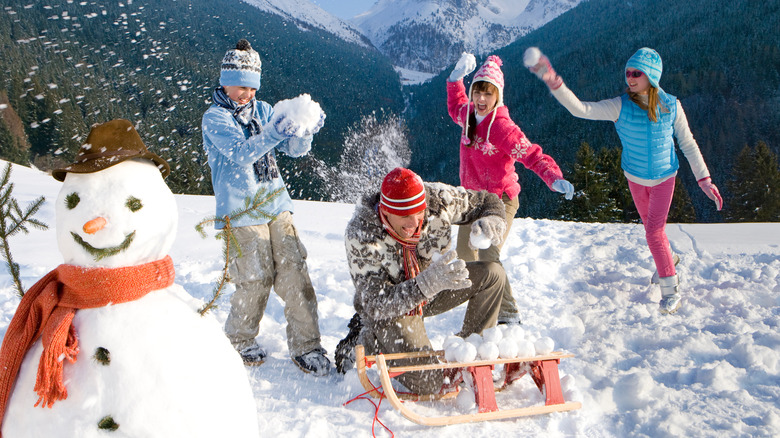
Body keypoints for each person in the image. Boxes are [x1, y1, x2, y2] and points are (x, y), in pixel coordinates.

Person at [524, 46, 723, 314]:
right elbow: (581, 109)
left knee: (653, 232)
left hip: (665, 178)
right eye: (628, 72)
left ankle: (671, 288)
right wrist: (553, 80)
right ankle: (669, 259)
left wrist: (704, 179)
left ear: (651, 77)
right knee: (654, 232)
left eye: (636, 73)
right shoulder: (620, 106)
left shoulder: (671, 106)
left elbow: (688, 144)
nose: (630, 77)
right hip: (635, 178)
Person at [201, 38, 331, 375]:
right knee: (255, 277)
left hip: (275, 204)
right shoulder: (215, 118)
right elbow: (243, 153)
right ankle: (240, 339)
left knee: (294, 273)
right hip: (240, 209)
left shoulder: (263, 110)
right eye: (239, 86)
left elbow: (293, 150)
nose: (246, 93)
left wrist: (304, 133)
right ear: (224, 81)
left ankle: (307, 344)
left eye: (251, 87)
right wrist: (275, 132)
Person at [339, 167, 509, 394]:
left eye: (418, 213)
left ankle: (472, 353)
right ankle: (367, 339)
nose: (412, 223)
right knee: (431, 383)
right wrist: (424, 285)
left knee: (492, 274)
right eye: (403, 217)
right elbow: (375, 304)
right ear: (385, 212)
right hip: (390, 308)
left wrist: (493, 218)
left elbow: (487, 200)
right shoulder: (362, 234)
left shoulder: (438, 200)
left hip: (436, 286)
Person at [446, 53, 574, 325]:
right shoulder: (468, 115)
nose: (481, 99)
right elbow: (455, 105)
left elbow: (531, 155)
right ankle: (484, 301)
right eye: (477, 91)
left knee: (489, 256)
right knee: (467, 256)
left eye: (488, 94)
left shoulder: (502, 129)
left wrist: (553, 177)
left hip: (499, 201)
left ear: (498, 97)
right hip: (471, 200)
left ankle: (507, 315)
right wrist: (455, 78)